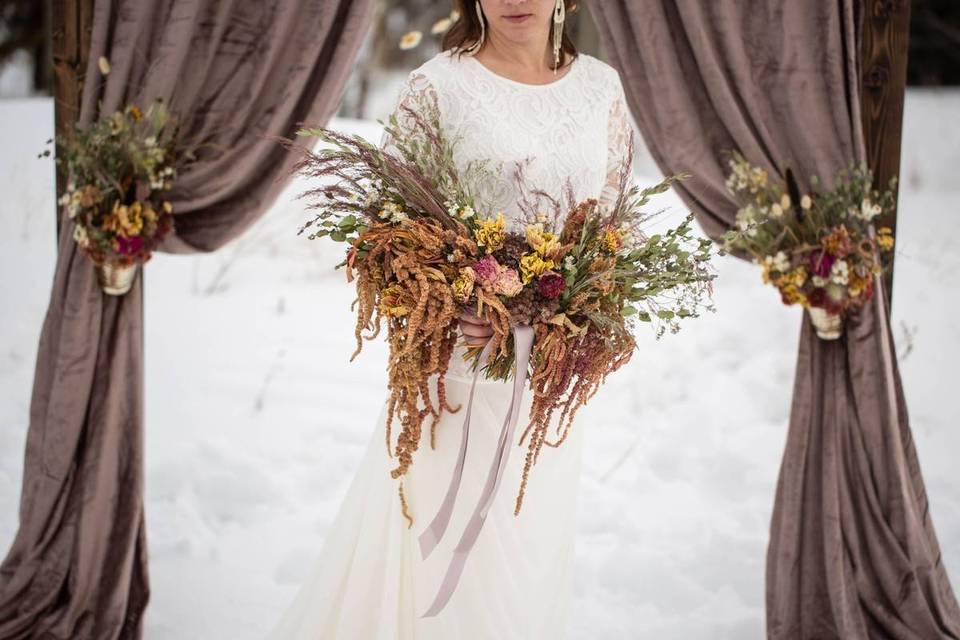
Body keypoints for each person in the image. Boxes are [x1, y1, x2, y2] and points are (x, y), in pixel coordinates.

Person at [268, 1, 635, 637]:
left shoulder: (601, 86)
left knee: (529, 565)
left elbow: (612, 225)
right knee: (441, 578)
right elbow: (390, 229)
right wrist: (462, 299)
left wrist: (560, 311)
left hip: (547, 384)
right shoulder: (438, 86)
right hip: (456, 377)